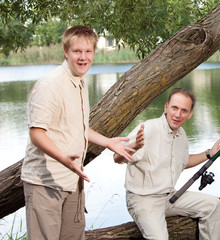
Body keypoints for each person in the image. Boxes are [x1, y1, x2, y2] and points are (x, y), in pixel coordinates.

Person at [21, 25, 135, 240]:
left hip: (73, 180)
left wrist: (108, 142)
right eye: (77, 51)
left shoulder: (79, 82)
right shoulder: (50, 85)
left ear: (94, 52)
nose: (83, 57)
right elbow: (36, 133)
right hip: (46, 183)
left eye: (88, 52)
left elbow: (79, 128)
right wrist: (63, 157)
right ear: (66, 51)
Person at [114, 88, 220, 239]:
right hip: (143, 200)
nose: (178, 114)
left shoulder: (181, 134)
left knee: (212, 204)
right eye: (174, 108)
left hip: (170, 197)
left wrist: (210, 153)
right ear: (166, 107)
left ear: (190, 114)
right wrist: (134, 147)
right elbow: (117, 157)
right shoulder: (148, 128)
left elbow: (183, 161)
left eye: (184, 110)